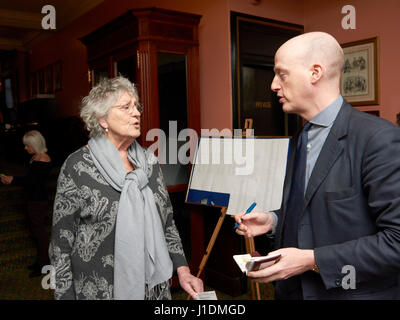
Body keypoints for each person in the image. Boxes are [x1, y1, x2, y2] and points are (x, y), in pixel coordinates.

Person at [235, 32, 400, 299]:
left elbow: (396, 241)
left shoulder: (378, 139)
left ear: (315, 73)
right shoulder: (301, 138)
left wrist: (311, 260)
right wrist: (273, 220)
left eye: (282, 74)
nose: (273, 85)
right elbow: (309, 206)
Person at [49, 76, 203, 300]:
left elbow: (167, 223)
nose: (137, 112)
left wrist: (183, 270)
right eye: (126, 107)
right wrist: (64, 296)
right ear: (103, 119)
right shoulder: (78, 166)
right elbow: (61, 244)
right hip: (99, 292)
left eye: (136, 106)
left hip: (153, 290)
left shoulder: (149, 161)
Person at [1, 130, 52, 277]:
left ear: (34, 145)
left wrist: (13, 180)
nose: (25, 148)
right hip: (33, 199)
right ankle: (41, 261)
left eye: (27, 145)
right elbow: (30, 178)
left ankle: (44, 264)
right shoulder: (36, 157)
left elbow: (33, 182)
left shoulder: (43, 159)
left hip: (37, 201)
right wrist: (13, 179)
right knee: (36, 232)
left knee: (40, 233)